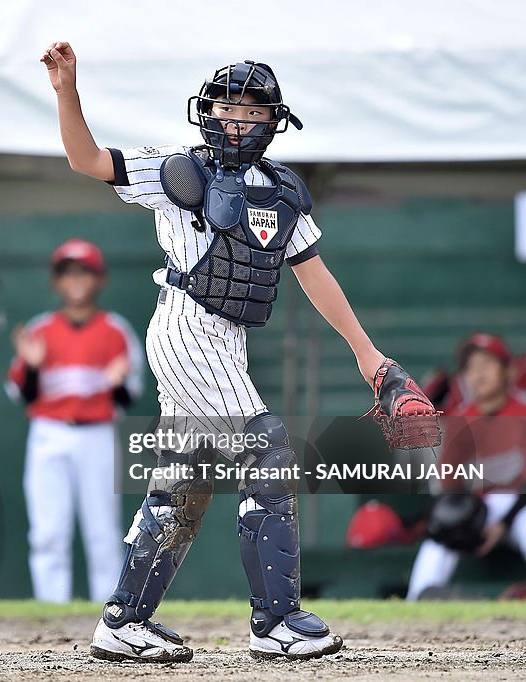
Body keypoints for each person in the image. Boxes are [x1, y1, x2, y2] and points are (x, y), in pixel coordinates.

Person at [41, 43, 422, 661]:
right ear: (207, 110)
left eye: (251, 110)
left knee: (183, 484)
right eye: (227, 105)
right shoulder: (177, 171)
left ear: (273, 120)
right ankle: (276, 620)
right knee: (265, 447)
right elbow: (86, 159)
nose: (237, 119)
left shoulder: (282, 189)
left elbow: (314, 273)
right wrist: (67, 91)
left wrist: (366, 353)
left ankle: (124, 620)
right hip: (186, 326)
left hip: (227, 341)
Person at [6, 238, 144, 603]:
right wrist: (33, 368)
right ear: (56, 281)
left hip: (98, 433)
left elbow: (129, 396)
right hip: (49, 433)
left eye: (85, 272)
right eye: (69, 273)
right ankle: (51, 609)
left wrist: (116, 385)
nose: (77, 280)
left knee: (103, 531)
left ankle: (111, 612)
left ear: (100, 279)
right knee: (48, 531)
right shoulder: (40, 330)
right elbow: (21, 395)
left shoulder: (116, 330)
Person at [407, 333, 526, 600]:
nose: (477, 374)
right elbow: (448, 483)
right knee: (442, 530)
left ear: (508, 370)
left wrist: (502, 523)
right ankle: (418, 602)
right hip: (476, 510)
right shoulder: (460, 419)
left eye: (486, 365)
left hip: (518, 509)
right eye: (470, 368)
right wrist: (464, 517)